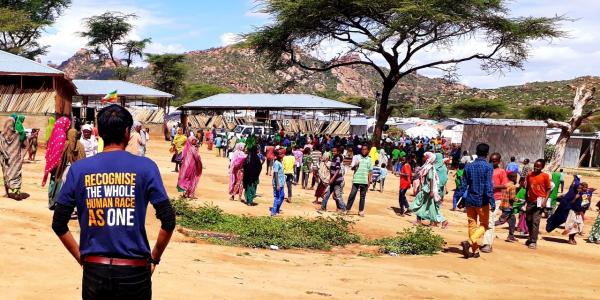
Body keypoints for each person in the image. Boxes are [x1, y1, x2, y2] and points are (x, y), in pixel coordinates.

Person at [51, 104, 175, 299]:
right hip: (135, 272)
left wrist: (82, 259)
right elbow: (168, 220)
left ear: (98, 132)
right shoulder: (146, 167)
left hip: (95, 272)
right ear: (127, 132)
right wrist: (154, 259)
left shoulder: (79, 170)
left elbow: (59, 224)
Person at [460, 143, 494, 259]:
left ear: (476, 151)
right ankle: (469, 242)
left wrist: (460, 198)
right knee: (484, 225)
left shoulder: (468, 166)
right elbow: (488, 186)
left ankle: (475, 251)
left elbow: (463, 185)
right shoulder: (488, 167)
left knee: (472, 225)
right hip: (482, 200)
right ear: (487, 153)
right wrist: (492, 201)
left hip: (470, 199)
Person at [47, 127, 86, 210]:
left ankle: (59, 203)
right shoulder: (80, 146)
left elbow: (61, 158)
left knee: (62, 187)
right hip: (77, 170)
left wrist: (59, 169)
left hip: (66, 169)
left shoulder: (66, 144)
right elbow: (83, 158)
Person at [410, 152, 448, 227]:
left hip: (430, 189)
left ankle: (440, 220)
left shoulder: (431, 167)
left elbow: (431, 179)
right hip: (438, 190)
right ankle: (436, 221)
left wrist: (432, 190)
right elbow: (445, 179)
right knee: (431, 206)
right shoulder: (443, 167)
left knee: (422, 203)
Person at [481, 153, 508, 253]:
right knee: (484, 219)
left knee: (490, 220)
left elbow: (505, 185)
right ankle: (486, 240)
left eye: (495, 161)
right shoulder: (487, 170)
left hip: (496, 199)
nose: (492, 163)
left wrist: (494, 187)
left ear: (499, 161)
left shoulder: (501, 172)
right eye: (491, 161)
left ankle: (487, 244)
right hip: (485, 198)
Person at [525, 159, 552, 250]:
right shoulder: (529, 175)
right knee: (528, 219)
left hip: (540, 202)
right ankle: (530, 236)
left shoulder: (545, 176)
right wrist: (526, 197)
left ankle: (533, 241)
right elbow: (527, 187)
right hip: (530, 201)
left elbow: (548, 189)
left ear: (542, 167)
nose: (536, 168)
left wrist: (545, 201)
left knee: (535, 221)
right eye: (535, 166)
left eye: (538, 166)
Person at [0, 118, 29, 200]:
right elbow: (27, 144)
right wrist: (22, 155)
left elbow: (0, 147)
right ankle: (16, 192)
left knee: (7, 176)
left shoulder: (2, 135)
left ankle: (8, 193)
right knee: (15, 176)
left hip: (7, 161)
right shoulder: (17, 134)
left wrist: (4, 154)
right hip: (14, 161)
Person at [346, 145, 373, 217]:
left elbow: (370, 171)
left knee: (362, 196)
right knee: (352, 194)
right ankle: (347, 209)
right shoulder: (357, 157)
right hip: (356, 179)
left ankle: (361, 211)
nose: (364, 151)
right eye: (362, 149)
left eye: (365, 149)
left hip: (364, 180)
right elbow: (352, 168)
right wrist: (355, 165)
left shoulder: (369, 159)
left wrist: (369, 181)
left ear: (368, 150)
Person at [496, 172, 518, 242]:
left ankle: (511, 236)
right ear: (513, 178)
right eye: (515, 177)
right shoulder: (513, 186)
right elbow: (512, 198)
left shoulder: (505, 185)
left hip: (504, 205)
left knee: (513, 220)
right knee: (501, 221)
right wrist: (518, 200)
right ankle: (486, 227)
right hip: (508, 207)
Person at [270, 149, 286, 216]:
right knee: (277, 197)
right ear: (277, 155)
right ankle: (273, 212)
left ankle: (277, 209)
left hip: (281, 183)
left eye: (282, 153)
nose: (282, 155)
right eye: (280, 154)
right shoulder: (276, 163)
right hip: (278, 183)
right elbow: (276, 174)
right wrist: (277, 185)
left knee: (282, 196)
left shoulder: (280, 162)